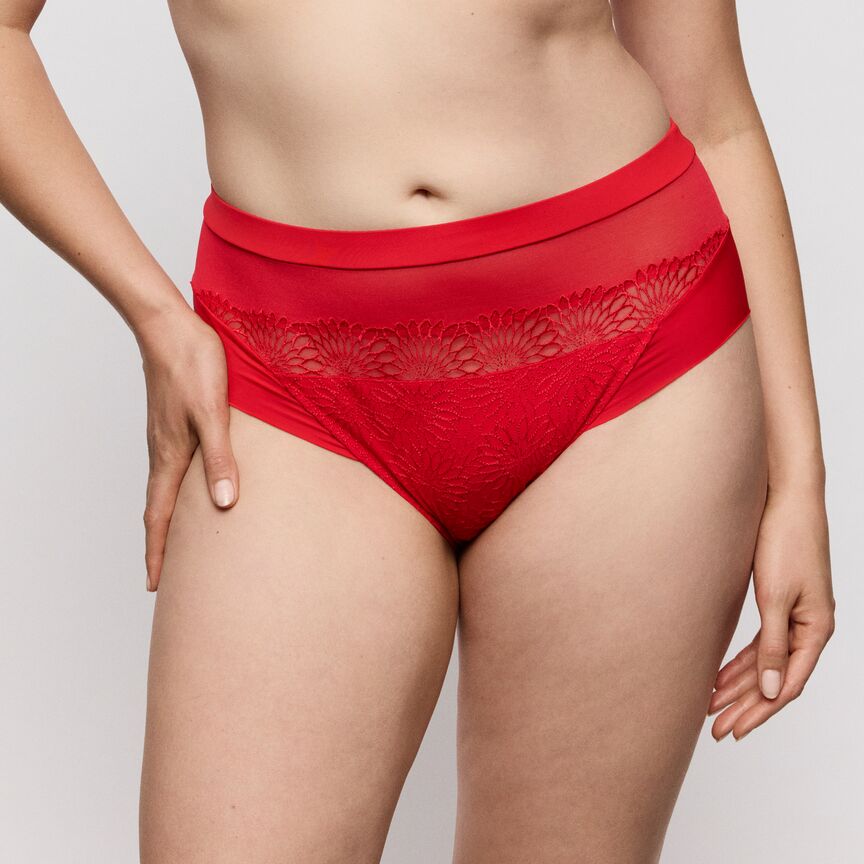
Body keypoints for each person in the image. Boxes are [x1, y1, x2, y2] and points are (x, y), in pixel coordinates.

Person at [0, 1, 836, 861]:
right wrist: (156, 318)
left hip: (635, 350)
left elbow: (714, 116)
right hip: (291, 375)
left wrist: (800, 483)